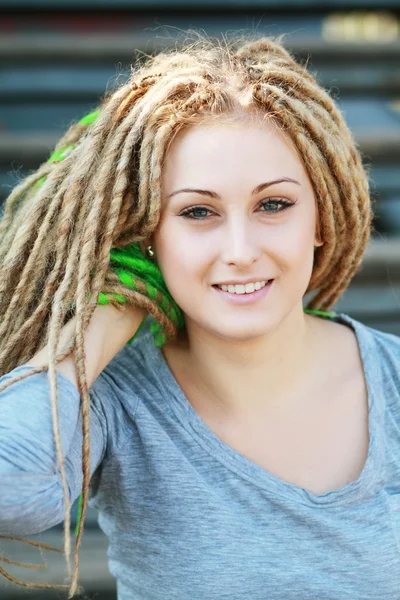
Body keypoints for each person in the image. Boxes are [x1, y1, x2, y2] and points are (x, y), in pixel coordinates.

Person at [0, 32, 399, 600]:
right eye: (197, 211)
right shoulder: (115, 398)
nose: (239, 249)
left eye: (273, 205)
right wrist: (107, 319)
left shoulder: (394, 379)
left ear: (320, 217)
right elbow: (10, 492)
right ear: (145, 237)